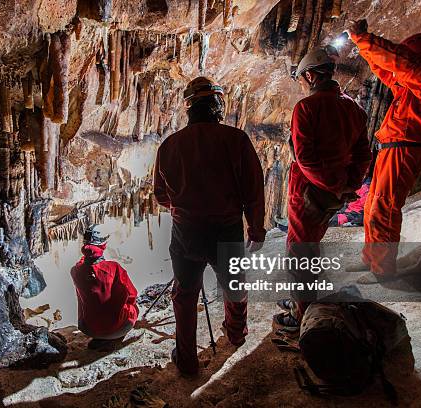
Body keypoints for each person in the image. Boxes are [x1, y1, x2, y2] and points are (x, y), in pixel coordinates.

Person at [154, 76, 266, 376]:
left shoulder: (169, 146)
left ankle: (187, 360)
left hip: (186, 232)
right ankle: (236, 333)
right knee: (234, 286)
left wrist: (183, 209)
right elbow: (253, 190)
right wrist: (256, 229)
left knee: (186, 293)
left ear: (189, 108)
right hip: (226, 229)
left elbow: (161, 195)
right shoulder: (236, 140)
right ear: (217, 105)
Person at [347, 20, 421, 283]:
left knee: (385, 206)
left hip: (405, 147)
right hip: (395, 146)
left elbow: (396, 61)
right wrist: (365, 50)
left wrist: (365, 39)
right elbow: (387, 71)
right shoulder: (413, 84)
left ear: (414, 54)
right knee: (373, 203)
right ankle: (371, 259)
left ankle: (382, 270)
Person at [278, 48, 371, 327]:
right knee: (310, 245)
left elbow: (305, 158)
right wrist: (347, 185)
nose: (302, 86)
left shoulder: (306, 108)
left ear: (309, 75)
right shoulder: (354, 108)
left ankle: (302, 310)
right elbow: (363, 154)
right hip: (334, 191)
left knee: (300, 250)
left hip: (309, 191)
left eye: (302, 80)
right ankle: (300, 297)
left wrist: (330, 185)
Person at [70, 224, 139, 350]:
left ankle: (101, 335)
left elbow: (84, 266)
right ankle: (112, 336)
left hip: (87, 328)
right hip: (118, 328)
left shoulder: (75, 271)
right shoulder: (114, 268)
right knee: (134, 307)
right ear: (103, 245)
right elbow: (132, 294)